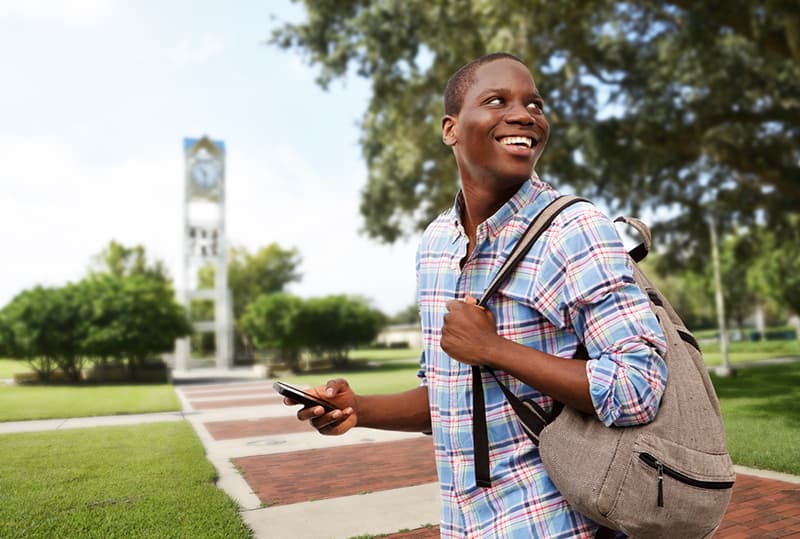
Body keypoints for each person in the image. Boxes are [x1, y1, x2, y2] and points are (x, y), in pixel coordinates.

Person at [287, 52, 668, 538]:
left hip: (558, 523)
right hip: (465, 523)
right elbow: (448, 396)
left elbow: (638, 386)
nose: (524, 115)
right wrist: (359, 408)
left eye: (535, 105)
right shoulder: (436, 244)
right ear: (450, 129)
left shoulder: (574, 230)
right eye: (497, 100)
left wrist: (495, 350)